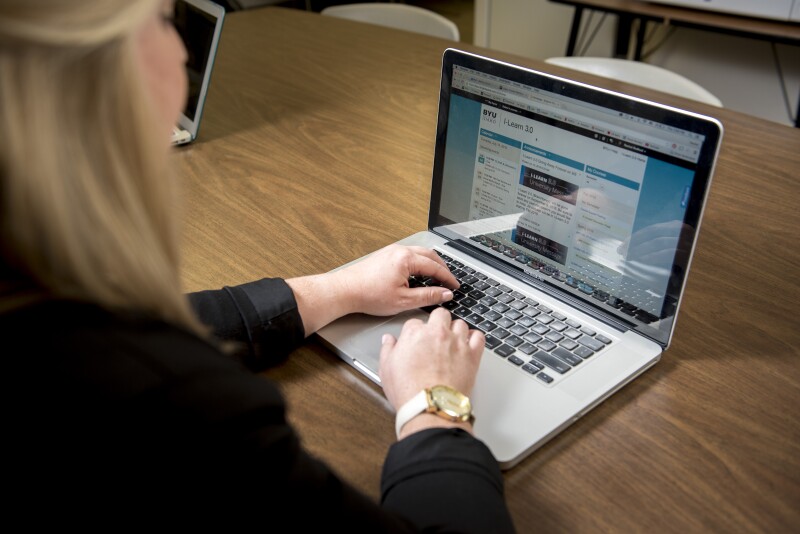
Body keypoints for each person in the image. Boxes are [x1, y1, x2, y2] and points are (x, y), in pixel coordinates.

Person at [0, 1, 516, 531]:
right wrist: (434, 406)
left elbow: (156, 323)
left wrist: (332, 291)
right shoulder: (179, 409)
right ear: (83, 71)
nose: (181, 48)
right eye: (160, 20)